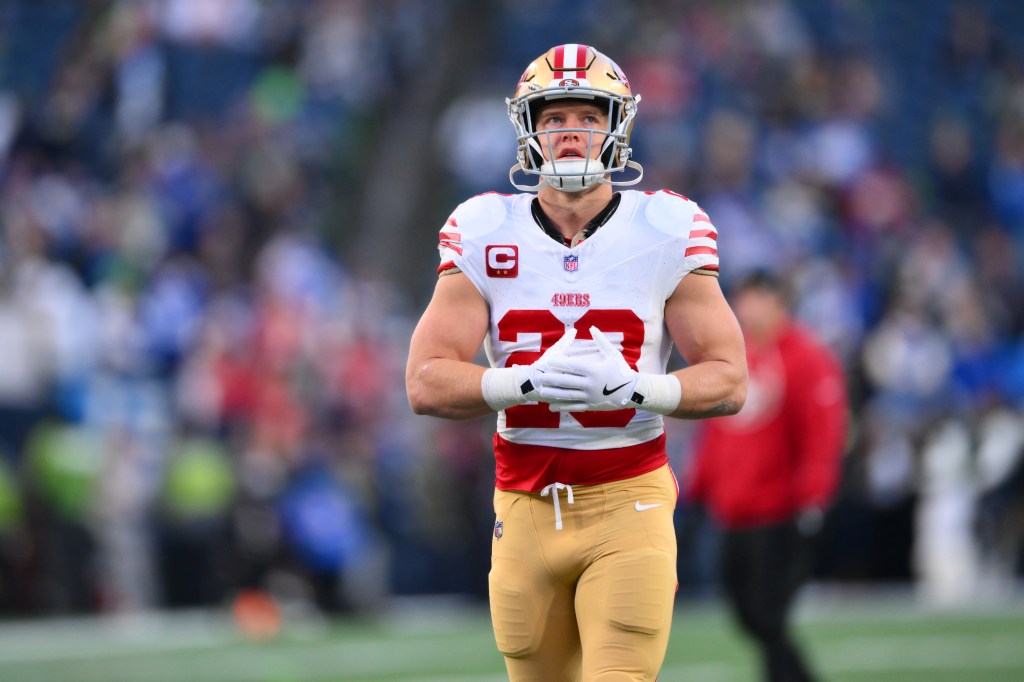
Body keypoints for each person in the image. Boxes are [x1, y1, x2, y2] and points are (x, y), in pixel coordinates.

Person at [406, 43, 748, 682]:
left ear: (615, 126)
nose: (570, 133)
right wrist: (520, 381)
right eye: (554, 117)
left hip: (628, 499)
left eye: (588, 117)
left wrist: (641, 389)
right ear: (527, 128)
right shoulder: (484, 228)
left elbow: (730, 377)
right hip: (523, 503)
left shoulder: (665, 226)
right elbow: (425, 380)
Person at [685, 270, 848, 682]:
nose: (746, 308)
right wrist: (698, 490)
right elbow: (715, 431)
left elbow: (822, 435)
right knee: (749, 615)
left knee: (769, 614)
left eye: (756, 298)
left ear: (778, 302)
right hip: (734, 509)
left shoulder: (806, 357)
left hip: (780, 511)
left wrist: (813, 497)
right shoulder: (734, 357)